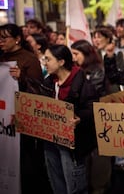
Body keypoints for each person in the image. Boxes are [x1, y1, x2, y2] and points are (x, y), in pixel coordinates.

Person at [0, 23, 52, 194]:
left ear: (17, 39)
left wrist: (21, 78)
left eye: (4, 38)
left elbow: (38, 92)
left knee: (25, 162)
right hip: (3, 118)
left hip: (23, 121)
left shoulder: (29, 60)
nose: (0, 42)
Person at [41, 44, 99, 194]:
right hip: (50, 141)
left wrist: (79, 118)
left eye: (48, 59)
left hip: (72, 143)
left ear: (61, 62)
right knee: (56, 181)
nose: (44, 62)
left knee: (74, 185)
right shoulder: (48, 83)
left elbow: (93, 107)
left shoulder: (82, 83)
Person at [70, 40, 111, 194]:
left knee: (98, 165)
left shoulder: (96, 71)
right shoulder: (77, 71)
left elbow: (91, 94)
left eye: (76, 54)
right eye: (72, 54)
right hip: (85, 124)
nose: (73, 58)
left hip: (97, 123)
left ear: (86, 54)